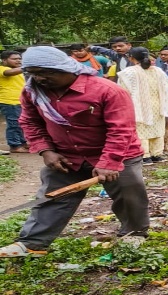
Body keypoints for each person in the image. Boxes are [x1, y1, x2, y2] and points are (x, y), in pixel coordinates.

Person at [0, 46, 149, 258]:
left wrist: (109, 162)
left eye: (47, 72)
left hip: (116, 153)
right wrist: (45, 150)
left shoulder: (107, 90)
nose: (40, 78)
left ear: (67, 68)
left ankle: (134, 233)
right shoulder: (32, 91)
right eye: (33, 73)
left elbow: (121, 129)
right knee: (53, 197)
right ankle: (33, 243)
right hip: (66, 156)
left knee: (129, 192)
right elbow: (30, 121)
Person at [117, 47, 168, 164]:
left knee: (141, 130)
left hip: (138, 106)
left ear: (131, 58)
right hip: (158, 105)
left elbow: (122, 92)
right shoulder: (158, 71)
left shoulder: (128, 73)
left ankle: (145, 155)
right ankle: (157, 154)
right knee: (157, 128)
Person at [0, 50, 27, 153]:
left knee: (22, 123)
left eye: (19, 59)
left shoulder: (18, 70)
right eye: (14, 59)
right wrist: (28, 67)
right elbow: (9, 73)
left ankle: (22, 143)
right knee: (14, 124)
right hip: (9, 102)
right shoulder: (2, 69)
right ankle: (14, 145)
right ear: (4, 60)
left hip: (20, 101)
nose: (18, 61)